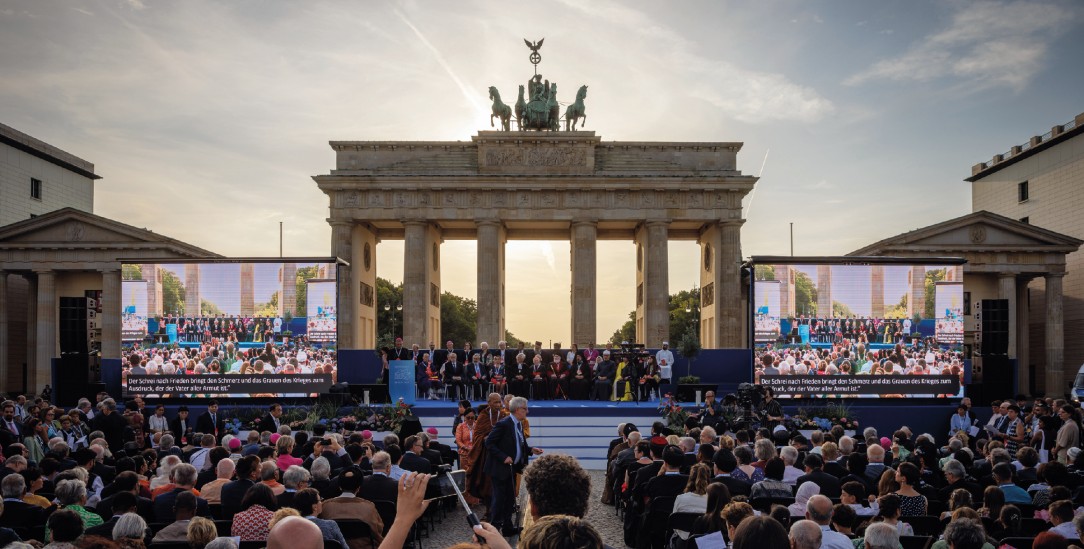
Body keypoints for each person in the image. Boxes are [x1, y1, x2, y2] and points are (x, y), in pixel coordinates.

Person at [484, 396, 543, 536]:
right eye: (525, 409)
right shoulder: (504, 424)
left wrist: (530, 450)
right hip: (499, 469)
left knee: (510, 498)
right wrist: (503, 457)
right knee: (499, 499)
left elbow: (520, 444)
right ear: (517, 410)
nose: (527, 411)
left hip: (512, 468)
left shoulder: (519, 424)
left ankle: (507, 527)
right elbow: (489, 443)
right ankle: (494, 530)